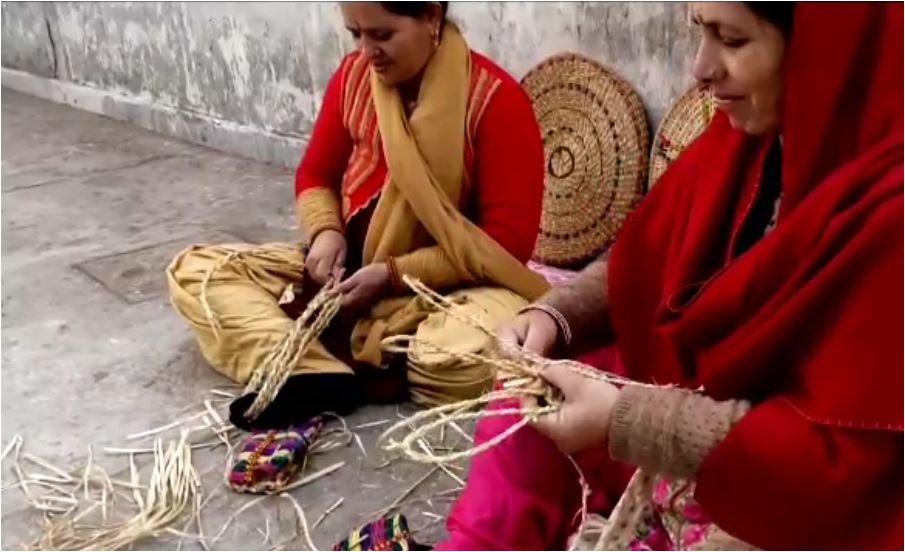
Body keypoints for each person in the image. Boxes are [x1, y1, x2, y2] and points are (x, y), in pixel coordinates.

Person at [439, 2, 903, 549]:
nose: (701, 68)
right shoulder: (749, 140)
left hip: (817, 493)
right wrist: (554, 316)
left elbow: (843, 462)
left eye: (732, 39)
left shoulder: (888, 210)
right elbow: (646, 260)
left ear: (823, 54)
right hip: (709, 406)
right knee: (533, 387)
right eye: (699, 32)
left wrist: (629, 421)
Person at [167, 2, 549, 430]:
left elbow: (505, 245)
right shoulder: (353, 78)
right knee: (198, 274)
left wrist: (391, 275)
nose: (367, 51)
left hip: (452, 289)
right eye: (355, 34)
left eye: (383, 35)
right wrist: (327, 232)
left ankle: (320, 352)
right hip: (349, 273)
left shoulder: (495, 100)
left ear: (432, 17)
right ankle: (319, 373)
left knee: (462, 357)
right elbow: (316, 174)